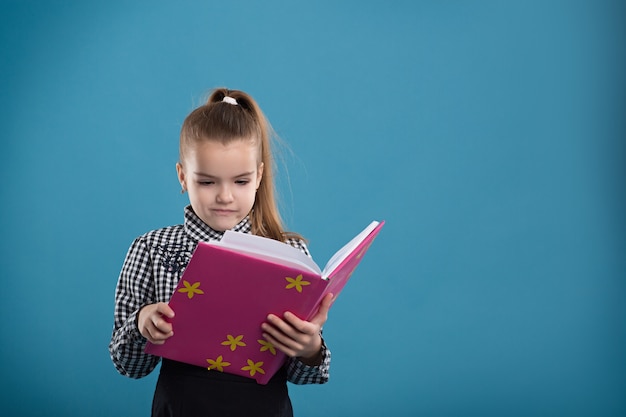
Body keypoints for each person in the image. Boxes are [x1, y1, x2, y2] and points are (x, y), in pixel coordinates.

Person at [109, 88, 333, 417]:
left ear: (258, 176)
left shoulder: (289, 253)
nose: (225, 197)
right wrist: (142, 323)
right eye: (207, 182)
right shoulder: (152, 249)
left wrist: (310, 348)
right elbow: (127, 365)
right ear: (183, 176)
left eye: (240, 181)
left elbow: (305, 375)